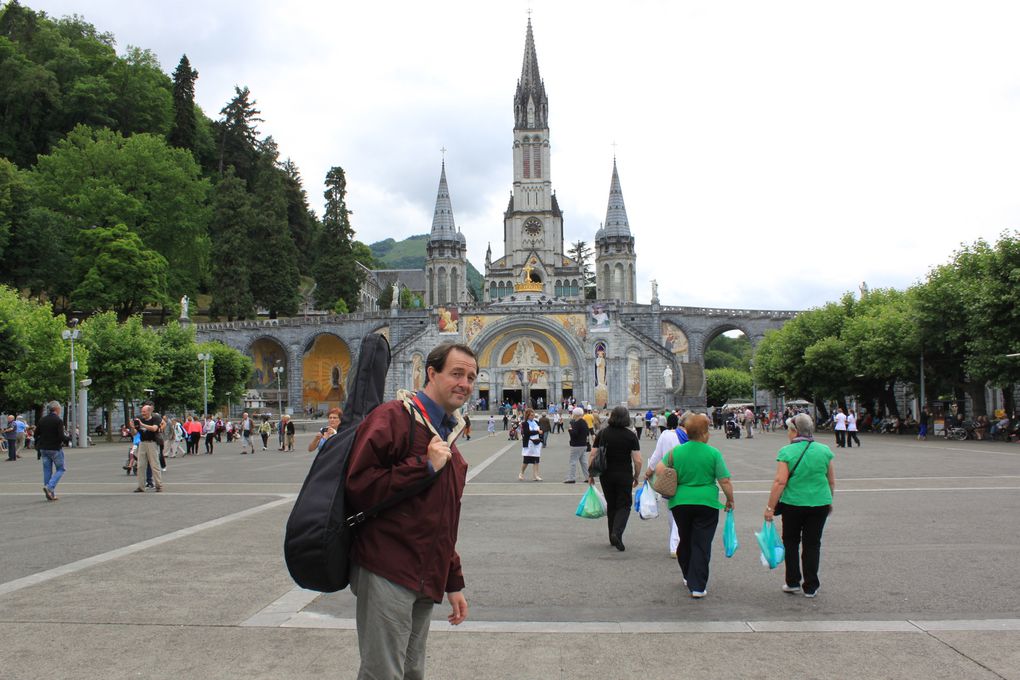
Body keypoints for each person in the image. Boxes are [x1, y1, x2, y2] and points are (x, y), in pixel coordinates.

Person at [346, 342, 474, 679]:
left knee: (411, 670)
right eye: (457, 373)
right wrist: (423, 467)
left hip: (424, 574)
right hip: (387, 567)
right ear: (431, 373)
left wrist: (453, 582)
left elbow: (442, 521)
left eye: (472, 377)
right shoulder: (394, 417)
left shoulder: (447, 435)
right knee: (383, 672)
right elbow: (358, 486)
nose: (465, 383)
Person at [655, 413, 734, 598]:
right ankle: (697, 585)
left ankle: (687, 574)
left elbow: (659, 469)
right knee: (702, 543)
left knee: (686, 538)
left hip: (680, 503)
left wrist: (674, 474)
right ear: (705, 433)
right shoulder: (713, 453)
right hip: (706, 503)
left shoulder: (676, 452)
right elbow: (725, 481)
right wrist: (730, 499)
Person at [764, 413, 835, 598]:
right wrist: (829, 500)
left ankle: (793, 581)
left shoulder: (786, 452)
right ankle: (811, 586)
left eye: (789, 430)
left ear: (795, 431)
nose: (788, 433)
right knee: (812, 544)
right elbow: (831, 481)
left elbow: (780, 481)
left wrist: (770, 507)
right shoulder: (824, 450)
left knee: (791, 541)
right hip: (820, 502)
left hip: (793, 503)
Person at [589, 405, 642, 551]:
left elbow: (593, 455)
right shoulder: (631, 435)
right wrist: (636, 476)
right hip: (624, 475)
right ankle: (617, 533)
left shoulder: (603, 433)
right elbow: (638, 460)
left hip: (606, 474)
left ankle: (612, 536)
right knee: (624, 505)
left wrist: (591, 474)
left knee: (611, 504)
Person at [644, 412, 688, 558]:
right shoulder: (692, 437)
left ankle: (675, 543)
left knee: (672, 512)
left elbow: (657, 456)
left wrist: (649, 472)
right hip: (685, 478)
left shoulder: (665, 435)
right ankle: (676, 543)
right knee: (681, 512)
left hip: (667, 477)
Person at [36, 401, 70, 501]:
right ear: (56, 409)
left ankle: (51, 493)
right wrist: (69, 439)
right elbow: (61, 436)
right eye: (59, 409)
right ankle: (50, 487)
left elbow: (36, 433)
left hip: (43, 448)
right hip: (55, 448)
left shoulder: (42, 420)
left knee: (47, 470)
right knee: (61, 468)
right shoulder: (58, 421)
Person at [133, 402, 164, 493]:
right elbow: (134, 433)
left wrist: (142, 425)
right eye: (142, 411)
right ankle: (141, 486)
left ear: (150, 411)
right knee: (140, 466)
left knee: (155, 465)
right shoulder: (139, 418)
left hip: (152, 443)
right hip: (142, 443)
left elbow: (154, 429)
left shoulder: (156, 418)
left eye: (144, 412)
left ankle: (159, 485)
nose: (143, 414)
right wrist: (132, 427)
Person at [563, 407, 590, 484]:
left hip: (576, 445)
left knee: (573, 461)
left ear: (576, 414)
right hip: (583, 444)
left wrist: (570, 429)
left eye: (573, 414)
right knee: (584, 462)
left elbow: (574, 434)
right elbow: (587, 433)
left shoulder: (576, 423)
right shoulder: (584, 422)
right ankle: (588, 477)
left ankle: (571, 478)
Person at [518, 408, 543, 481]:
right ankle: (521, 473)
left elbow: (540, 430)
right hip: (529, 443)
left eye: (533, 415)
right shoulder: (525, 423)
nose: (533, 416)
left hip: (537, 443)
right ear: (527, 415)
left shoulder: (536, 422)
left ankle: (535, 475)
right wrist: (537, 432)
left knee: (536, 460)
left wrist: (540, 434)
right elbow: (527, 433)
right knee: (526, 461)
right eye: (531, 415)